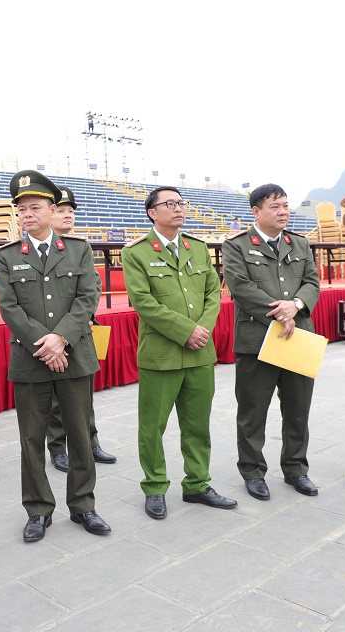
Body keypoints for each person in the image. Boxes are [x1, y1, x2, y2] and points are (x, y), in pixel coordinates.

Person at [0, 170, 111, 543]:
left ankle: (83, 506)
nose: (27, 214)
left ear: (51, 209)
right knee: (31, 439)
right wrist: (45, 345)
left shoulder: (78, 250)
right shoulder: (7, 256)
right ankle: (38, 510)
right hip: (30, 360)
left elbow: (87, 298)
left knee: (79, 435)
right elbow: (10, 308)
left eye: (35, 207)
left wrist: (60, 339)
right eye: (21, 209)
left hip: (74, 356)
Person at [123, 187, 236, 519]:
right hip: (162, 356)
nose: (178, 208)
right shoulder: (136, 253)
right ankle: (155, 486)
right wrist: (186, 331)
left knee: (197, 425)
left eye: (180, 203)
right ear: (152, 213)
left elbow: (213, 294)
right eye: (169, 204)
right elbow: (143, 303)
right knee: (152, 426)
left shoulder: (198, 249)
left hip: (201, 354)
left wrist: (201, 329)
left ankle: (198, 484)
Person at [222, 184, 321, 501]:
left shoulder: (300, 244)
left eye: (285, 206)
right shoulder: (236, 246)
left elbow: (312, 283)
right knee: (253, 411)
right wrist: (281, 313)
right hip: (257, 339)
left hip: (298, 336)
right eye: (275, 206)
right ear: (256, 211)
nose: (283, 212)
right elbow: (241, 288)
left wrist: (297, 306)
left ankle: (296, 470)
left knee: (298, 410)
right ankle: (253, 472)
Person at [45, 186, 117, 472]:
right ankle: (57, 447)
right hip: (51, 335)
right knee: (54, 397)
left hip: (81, 330)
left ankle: (91, 441)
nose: (67, 215)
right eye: (61, 210)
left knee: (84, 393)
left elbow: (92, 289)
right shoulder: (36, 251)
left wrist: (81, 319)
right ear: (49, 213)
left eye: (70, 211)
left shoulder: (79, 248)